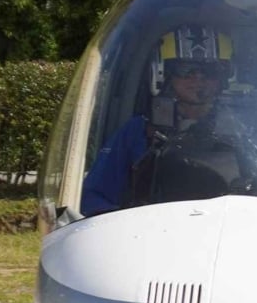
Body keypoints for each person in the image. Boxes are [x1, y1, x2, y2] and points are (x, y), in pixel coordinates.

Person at [81, 25, 247, 214]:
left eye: (209, 70)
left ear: (224, 77)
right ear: (163, 72)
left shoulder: (243, 130)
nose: (198, 79)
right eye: (186, 70)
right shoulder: (139, 131)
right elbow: (93, 197)